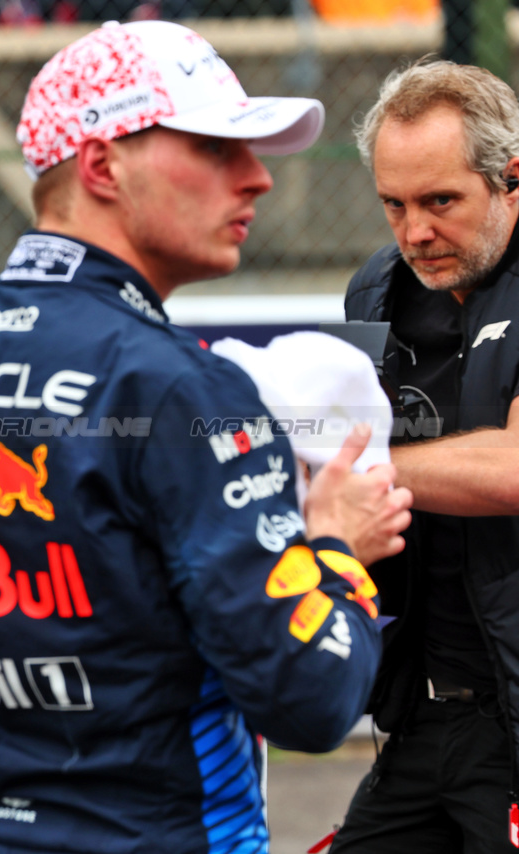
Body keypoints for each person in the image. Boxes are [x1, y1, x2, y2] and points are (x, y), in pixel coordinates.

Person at [0, 20, 412, 854]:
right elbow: (312, 700)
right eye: (216, 149)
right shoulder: (183, 392)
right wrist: (335, 548)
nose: (256, 178)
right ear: (103, 165)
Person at [330, 60, 519, 854]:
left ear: (512, 179)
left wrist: (352, 473)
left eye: (441, 202)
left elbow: (513, 470)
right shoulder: (373, 290)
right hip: (418, 713)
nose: (415, 233)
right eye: (394, 205)